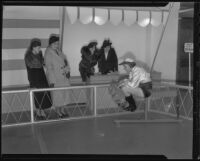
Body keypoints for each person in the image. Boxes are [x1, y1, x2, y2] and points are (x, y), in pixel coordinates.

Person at [24, 38, 52, 119]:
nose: (39, 49)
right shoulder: (28, 56)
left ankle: (41, 110)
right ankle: (39, 111)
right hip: (34, 77)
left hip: (41, 76)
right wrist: (32, 82)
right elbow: (31, 68)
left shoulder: (39, 54)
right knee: (38, 94)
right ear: (33, 47)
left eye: (39, 47)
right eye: (38, 47)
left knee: (43, 93)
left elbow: (42, 64)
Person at [44, 34, 70, 118]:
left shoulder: (59, 51)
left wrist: (67, 69)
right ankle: (58, 111)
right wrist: (52, 81)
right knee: (57, 96)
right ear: (50, 44)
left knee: (64, 95)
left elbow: (65, 60)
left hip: (64, 77)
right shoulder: (48, 53)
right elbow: (49, 68)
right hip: (56, 79)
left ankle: (62, 110)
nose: (56, 45)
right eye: (55, 44)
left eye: (57, 43)